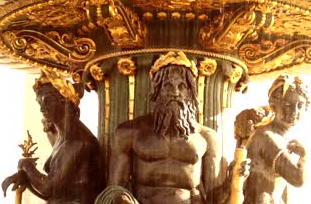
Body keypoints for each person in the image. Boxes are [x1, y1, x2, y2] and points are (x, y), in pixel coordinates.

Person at [105, 51, 249, 204]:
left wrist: (233, 180)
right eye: (167, 86)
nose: (175, 93)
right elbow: (114, 189)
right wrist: (124, 200)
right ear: (157, 90)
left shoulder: (207, 138)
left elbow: (215, 198)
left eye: (182, 86)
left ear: (190, 92)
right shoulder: (129, 133)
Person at [2, 70, 105, 204]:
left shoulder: (77, 141)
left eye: (48, 101)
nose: (42, 108)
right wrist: (27, 179)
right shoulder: (62, 138)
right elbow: (55, 192)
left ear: (65, 101)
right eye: (40, 102)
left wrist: (25, 164)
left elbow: (48, 188)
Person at [243, 75, 309, 204]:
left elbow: (282, 189)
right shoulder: (266, 137)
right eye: (288, 104)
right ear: (273, 105)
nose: (294, 111)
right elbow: (297, 178)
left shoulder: (282, 137)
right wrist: (304, 157)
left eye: (300, 105)